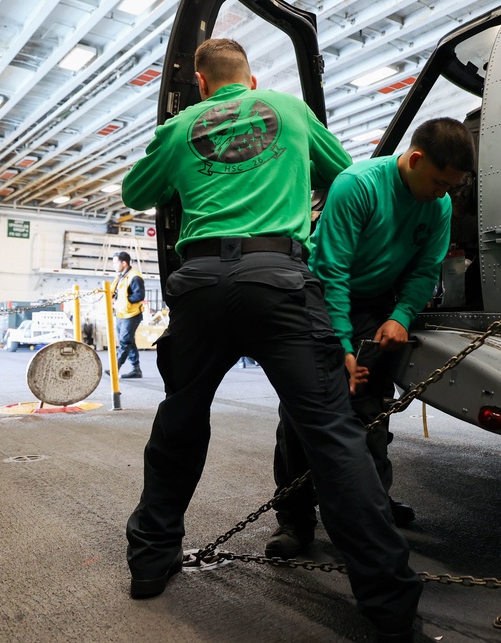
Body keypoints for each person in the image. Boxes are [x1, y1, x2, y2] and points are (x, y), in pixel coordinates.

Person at [120, 38, 422, 642]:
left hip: (201, 283)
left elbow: (135, 194)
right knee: (333, 434)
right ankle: (388, 603)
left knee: (180, 420)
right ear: (251, 80)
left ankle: (151, 562)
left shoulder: (180, 128)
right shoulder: (290, 110)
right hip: (280, 281)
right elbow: (348, 178)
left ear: (203, 84)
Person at [266, 118, 474, 559]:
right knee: (304, 414)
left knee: (368, 411)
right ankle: (295, 521)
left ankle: (372, 508)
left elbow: (423, 271)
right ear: (415, 159)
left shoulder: (438, 205)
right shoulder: (356, 185)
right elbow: (333, 272)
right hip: (319, 298)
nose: (443, 193)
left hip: (373, 305)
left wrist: (400, 316)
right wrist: (340, 346)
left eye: (451, 187)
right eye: (439, 182)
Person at [109, 251, 145, 379]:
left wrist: (125, 300)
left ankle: (116, 366)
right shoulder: (121, 276)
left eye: (115, 263)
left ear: (124, 263)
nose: (113, 265)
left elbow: (139, 295)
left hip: (132, 314)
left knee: (125, 341)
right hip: (121, 313)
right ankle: (136, 369)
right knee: (129, 341)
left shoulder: (134, 277)